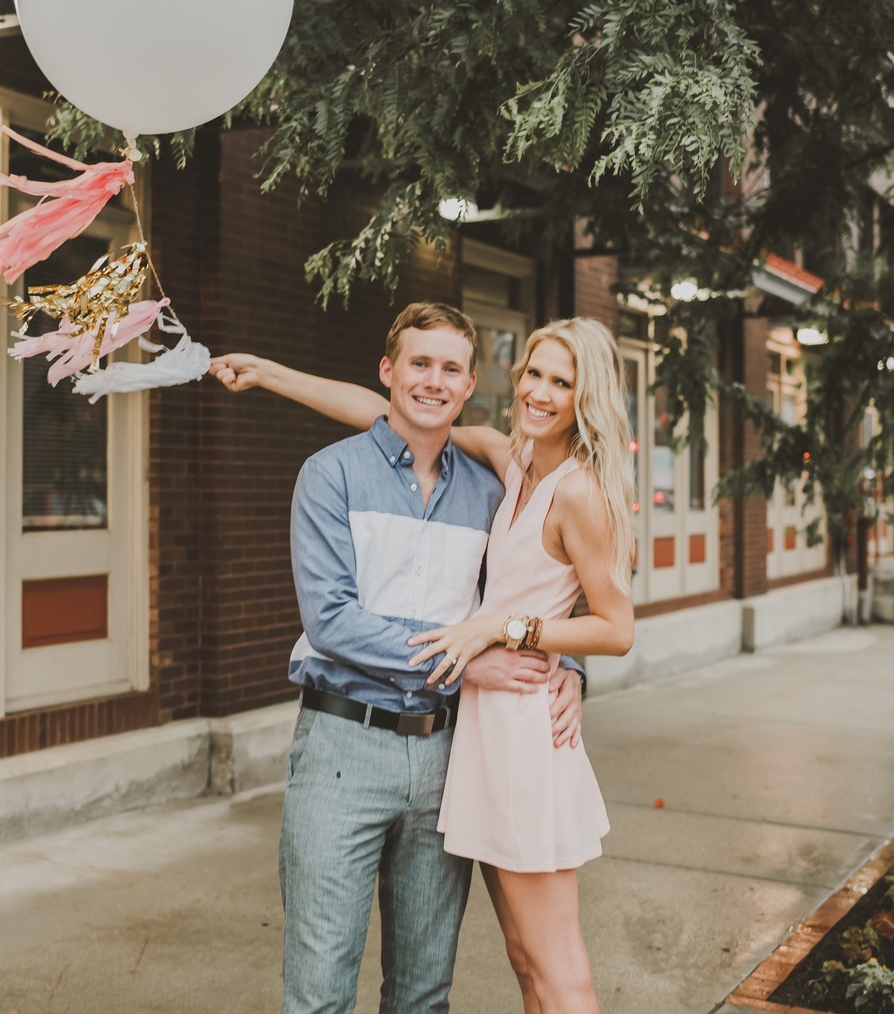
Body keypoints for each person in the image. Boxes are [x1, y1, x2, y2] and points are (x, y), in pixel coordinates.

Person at [217, 316, 637, 1014]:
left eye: (562, 382)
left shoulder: (537, 486)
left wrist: (547, 654)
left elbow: (604, 614)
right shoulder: (508, 461)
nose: (540, 391)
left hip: (492, 740)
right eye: (533, 372)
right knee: (517, 960)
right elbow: (387, 418)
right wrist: (268, 372)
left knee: (514, 975)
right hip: (418, 740)